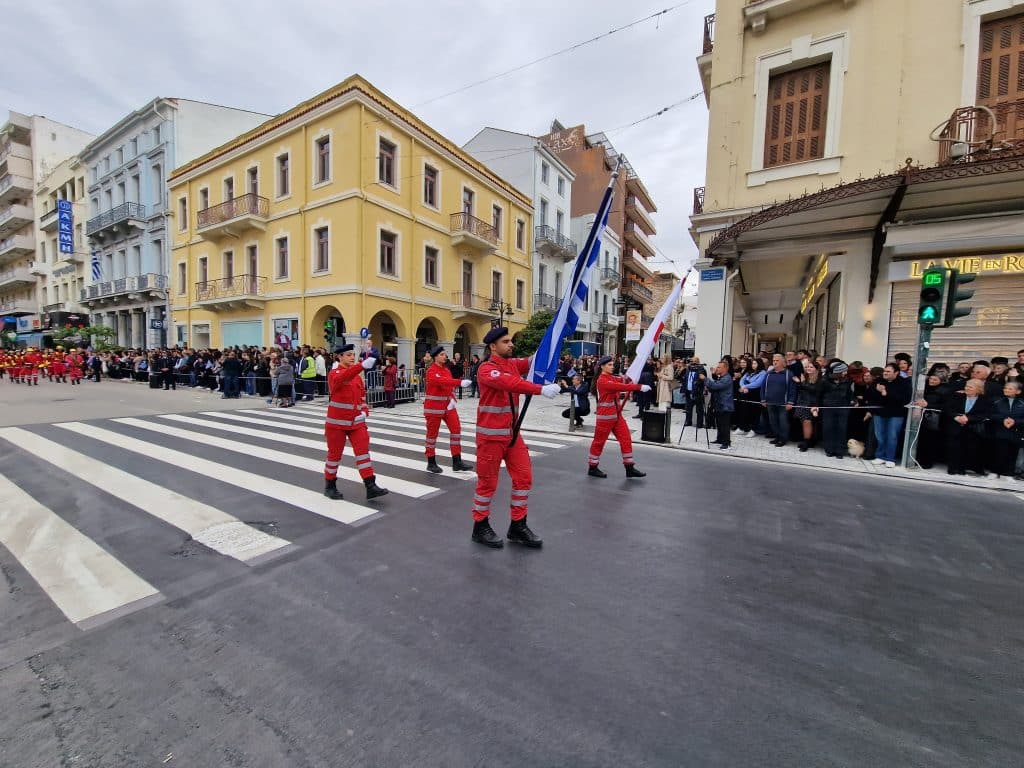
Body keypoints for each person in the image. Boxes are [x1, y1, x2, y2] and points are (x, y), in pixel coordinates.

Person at [470, 326, 560, 549]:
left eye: (511, 341)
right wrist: (540, 389)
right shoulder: (486, 369)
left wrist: (554, 336)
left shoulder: (511, 364)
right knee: (487, 484)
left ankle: (518, 525)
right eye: (506, 341)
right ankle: (480, 526)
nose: (511, 344)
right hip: (491, 438)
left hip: (512, 435)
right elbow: (510, 383)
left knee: (524, 478)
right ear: (493, 346)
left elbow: (533, 360)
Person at [322, 344, 389, 501]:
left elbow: (362, 398)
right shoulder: (334, 374)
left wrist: (364, 413)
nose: (352, 357)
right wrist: (360, 366)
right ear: (339, 357)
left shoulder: (357, 377)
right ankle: (330, 485)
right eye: (348, 355)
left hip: (356, 423)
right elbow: (343, 377)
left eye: (353, 354)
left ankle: (370, 485)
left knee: (363, 453)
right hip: (337, 424)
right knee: (334, 456)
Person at [587, 355, 650, 477]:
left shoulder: (611, 377)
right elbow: (622, 387)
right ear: (602, 367)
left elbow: (624, 380)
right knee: (599, 442)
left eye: (612, 364)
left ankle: (629, 467)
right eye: (609, 365)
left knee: (626, 439)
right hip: (605, 418)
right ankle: (592, 467)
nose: (612, 366)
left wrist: (635, 375)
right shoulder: (602, 381)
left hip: (616, 416)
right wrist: (639, 387)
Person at [422, 346, 472, 474]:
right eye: (442, 354)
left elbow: (449, 387)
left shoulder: (447, 370)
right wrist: (459, 382)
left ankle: (457, 461)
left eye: (445, 354)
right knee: (432, 436)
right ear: (436, 357)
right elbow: (441, 381)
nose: (445, 356)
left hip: (447, 407)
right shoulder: (431, 371)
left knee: (456, 431)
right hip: (433, 408)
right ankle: (431, 462)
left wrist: (453, 399)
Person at [943, 378, 991, 476]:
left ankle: (961, 468)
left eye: (970, 387)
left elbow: (985, 414)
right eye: (966, 386)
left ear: (978, 389)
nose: (967, 388)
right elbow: (947, 408)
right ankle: (952, 468)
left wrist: (968, 418)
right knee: (953, 447)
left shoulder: (984, 400)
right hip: (955, 425)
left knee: (967, 448)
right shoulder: (957, 396)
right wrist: (956, 417)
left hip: (972, 427)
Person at [869, 363, 913, 468]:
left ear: (896, 373)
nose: (885, 373)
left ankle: (890, 458)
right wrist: (879, 393)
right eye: (885, 371)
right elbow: (871, 396)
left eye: (888, 371)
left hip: (896, 413)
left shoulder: (903, 383)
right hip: (879, 412)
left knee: (892, 436)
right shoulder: (878, 381)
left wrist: (884, 393)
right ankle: (880, 456)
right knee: (879, 435)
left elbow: (903, 399)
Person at [987, 379, 1024, 479]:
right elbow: (990, 414)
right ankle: (994, 472)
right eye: (1005, 388)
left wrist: (1015, 421)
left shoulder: (1022, 403)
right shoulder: (997, 401)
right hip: (999, 431)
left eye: (1010, 388)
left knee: (1012, 453)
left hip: (1015, 432)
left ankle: (1008, 474)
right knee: (998, 452)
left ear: (1018, 391)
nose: (1006, 390)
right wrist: (1002, 419)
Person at [820, 361, 855, 458]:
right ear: (838, 372)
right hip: (828, 408)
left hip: (843, 408)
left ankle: (840, 451)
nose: (845, 373)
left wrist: (853, 400)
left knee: (841, 429)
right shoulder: (825, 380)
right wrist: (817, 406)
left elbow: (850, 394)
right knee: (828, 429)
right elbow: (819, 394)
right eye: (844, 371)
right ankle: (829, 449)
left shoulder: (848, 381)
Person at [761, 353, 797, 446]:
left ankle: (783, 439)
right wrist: (763, 399)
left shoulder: (789, 373)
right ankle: (777, 437)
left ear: (782, 362)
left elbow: (792, 389)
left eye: (777, 361)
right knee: (773, 421)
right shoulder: (769, 373)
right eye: (773, 361)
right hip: (770, 402)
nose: (775, 362)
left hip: (783, 404)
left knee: (783, 422)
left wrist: (790, 402)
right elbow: (763, 387)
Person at [702, 360, 735, 451]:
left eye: (719, 367)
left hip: (725, 406)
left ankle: (726, 443)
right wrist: (708, 386)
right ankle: (720, 439)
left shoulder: (727, 378)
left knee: (725, 425)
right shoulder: (721, 377)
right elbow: (715, 389)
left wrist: (705, 379)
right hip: (719, 405)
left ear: (725, 368)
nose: (717, 368)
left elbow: (716, 386)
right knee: (719, 424)